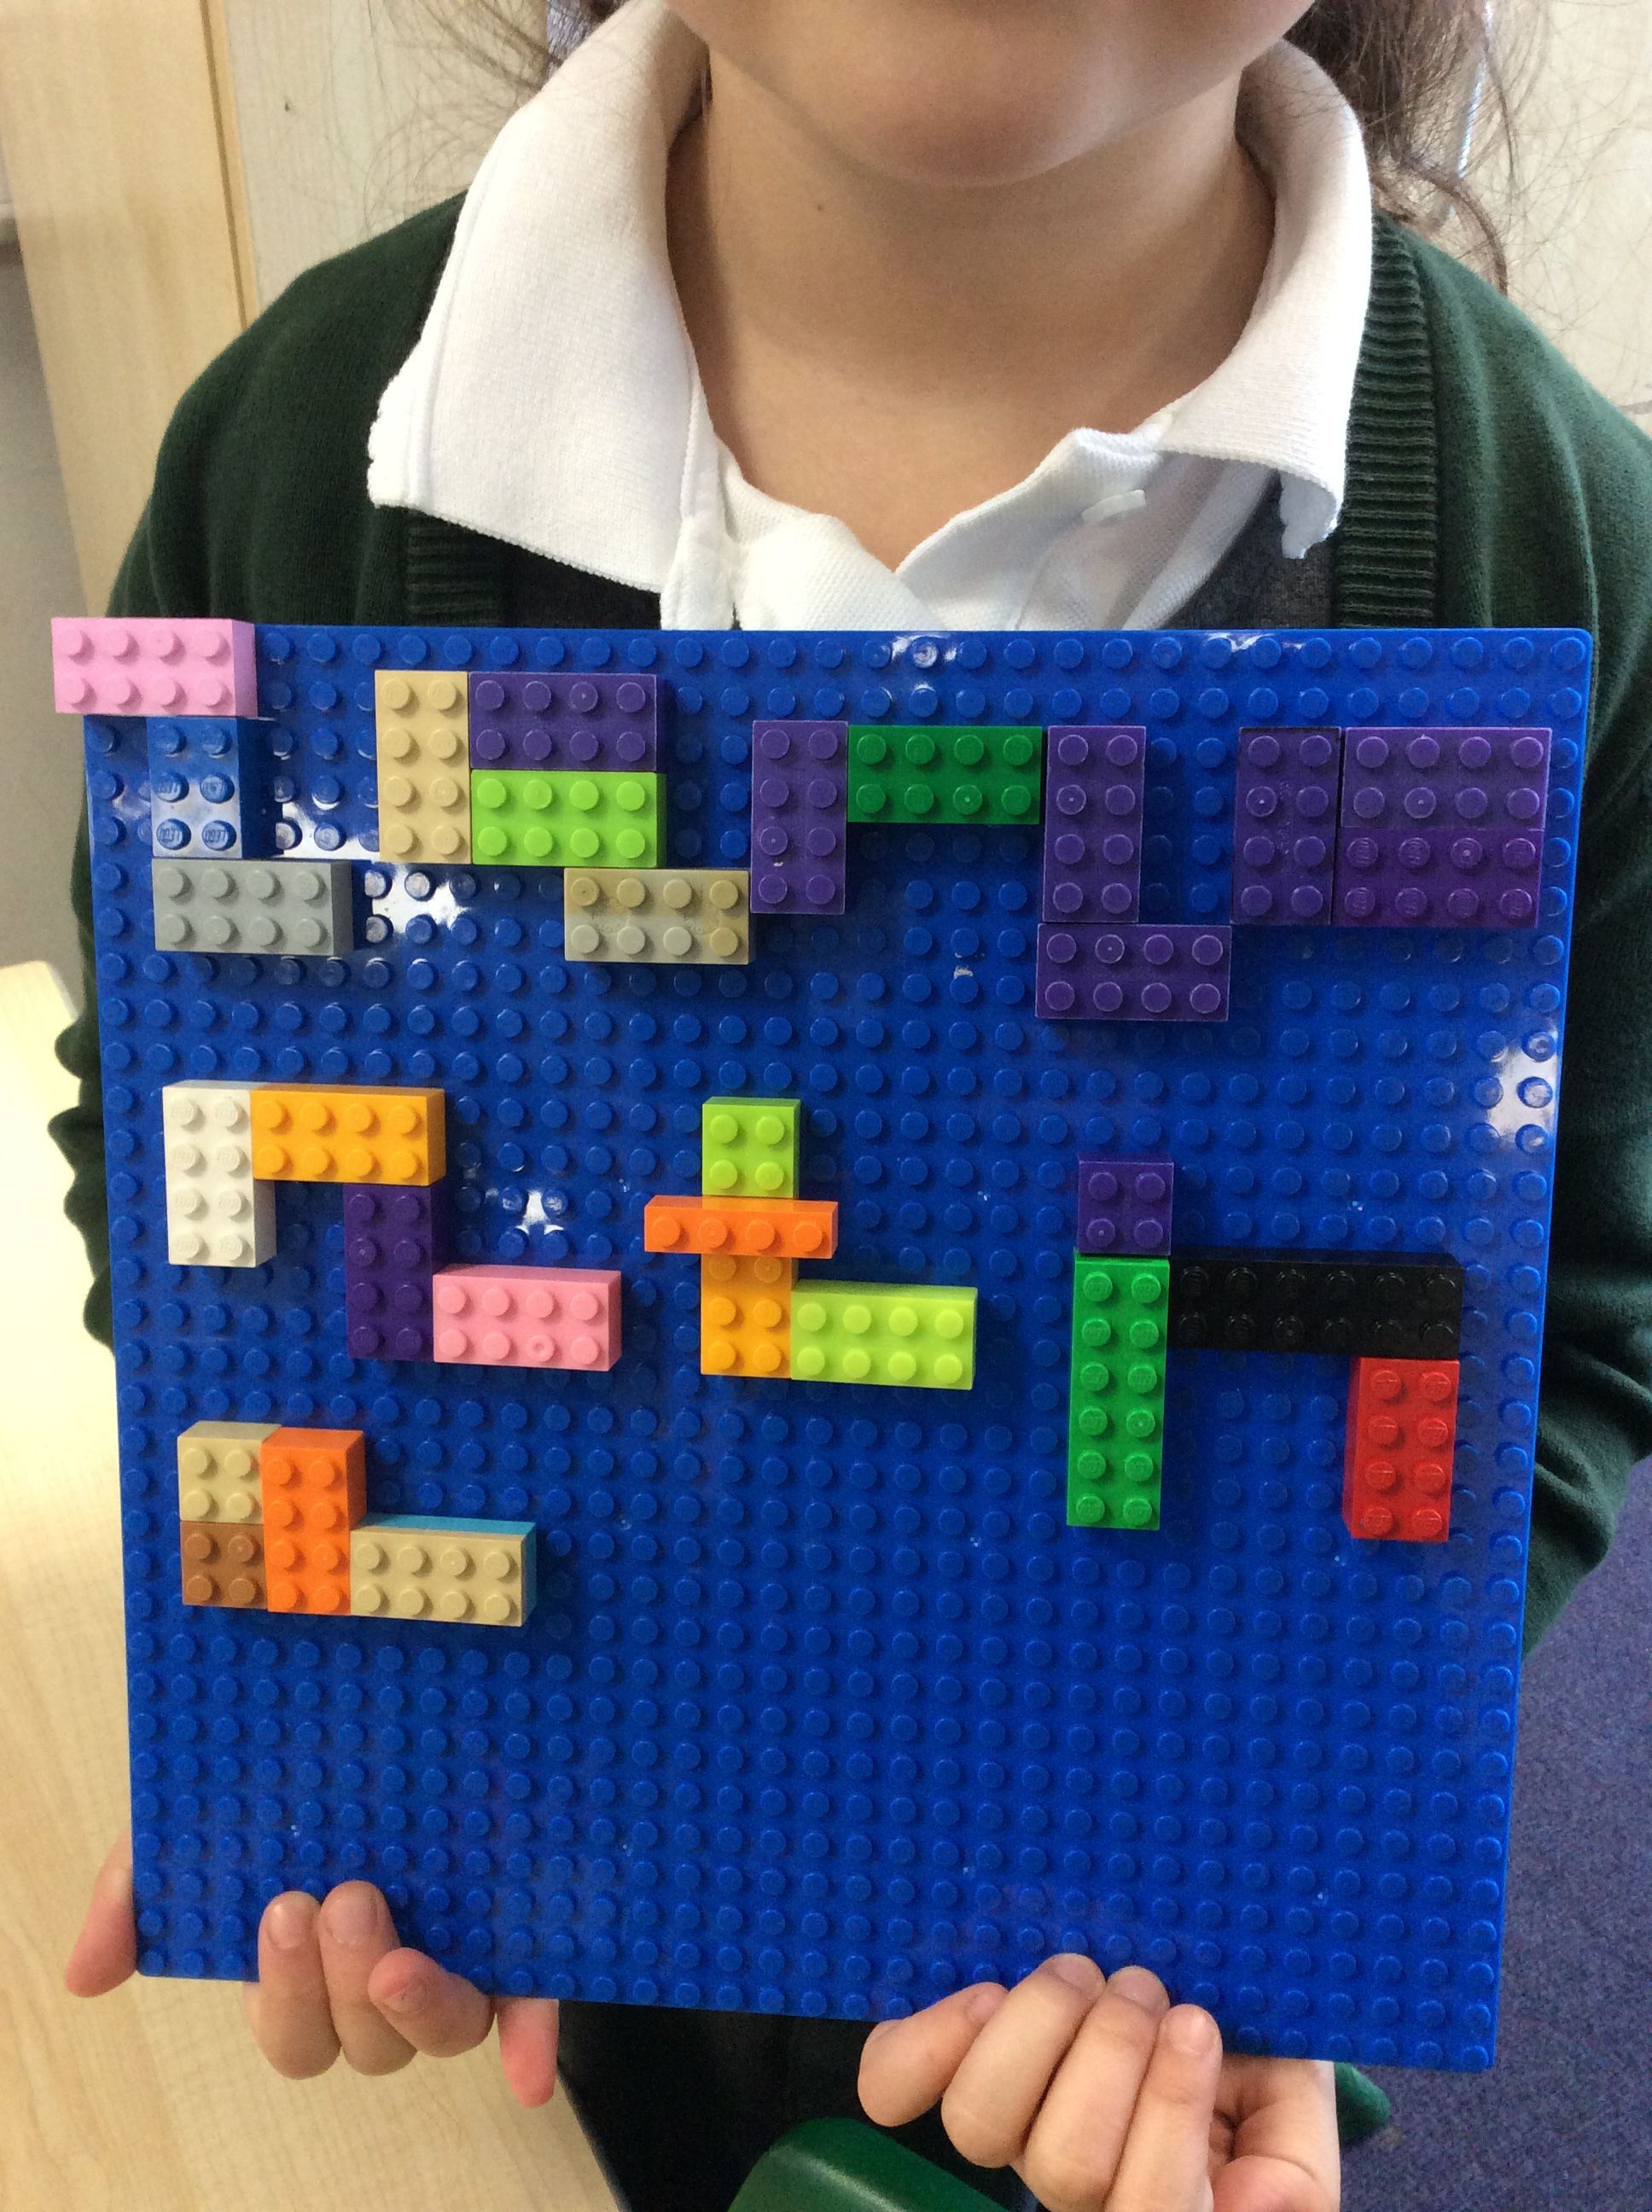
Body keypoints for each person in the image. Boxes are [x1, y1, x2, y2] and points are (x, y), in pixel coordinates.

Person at [49, 2, 1652, 2208]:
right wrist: (329, 1671)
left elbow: (1566, 1325)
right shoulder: (304, 447)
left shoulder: (1561, 538)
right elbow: (189, 1143)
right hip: (569, 1826)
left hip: (1131, 1876)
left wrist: (1312, 1820)